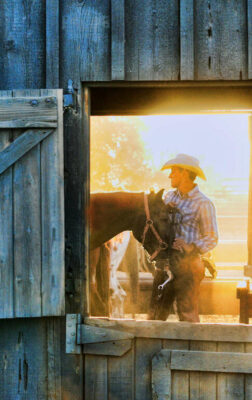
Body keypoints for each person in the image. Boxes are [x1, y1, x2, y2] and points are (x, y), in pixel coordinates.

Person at [148, 154, 218, 322]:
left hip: (188, 265)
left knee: (187, 314)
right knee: (156, 313)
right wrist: (163, 209)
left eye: (174, 171)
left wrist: (190, 246)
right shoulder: (169, 197)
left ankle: (191, 346)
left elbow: (212, 237)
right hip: (165, 264)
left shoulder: (203, 203)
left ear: (185, 173)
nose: (170, 175)